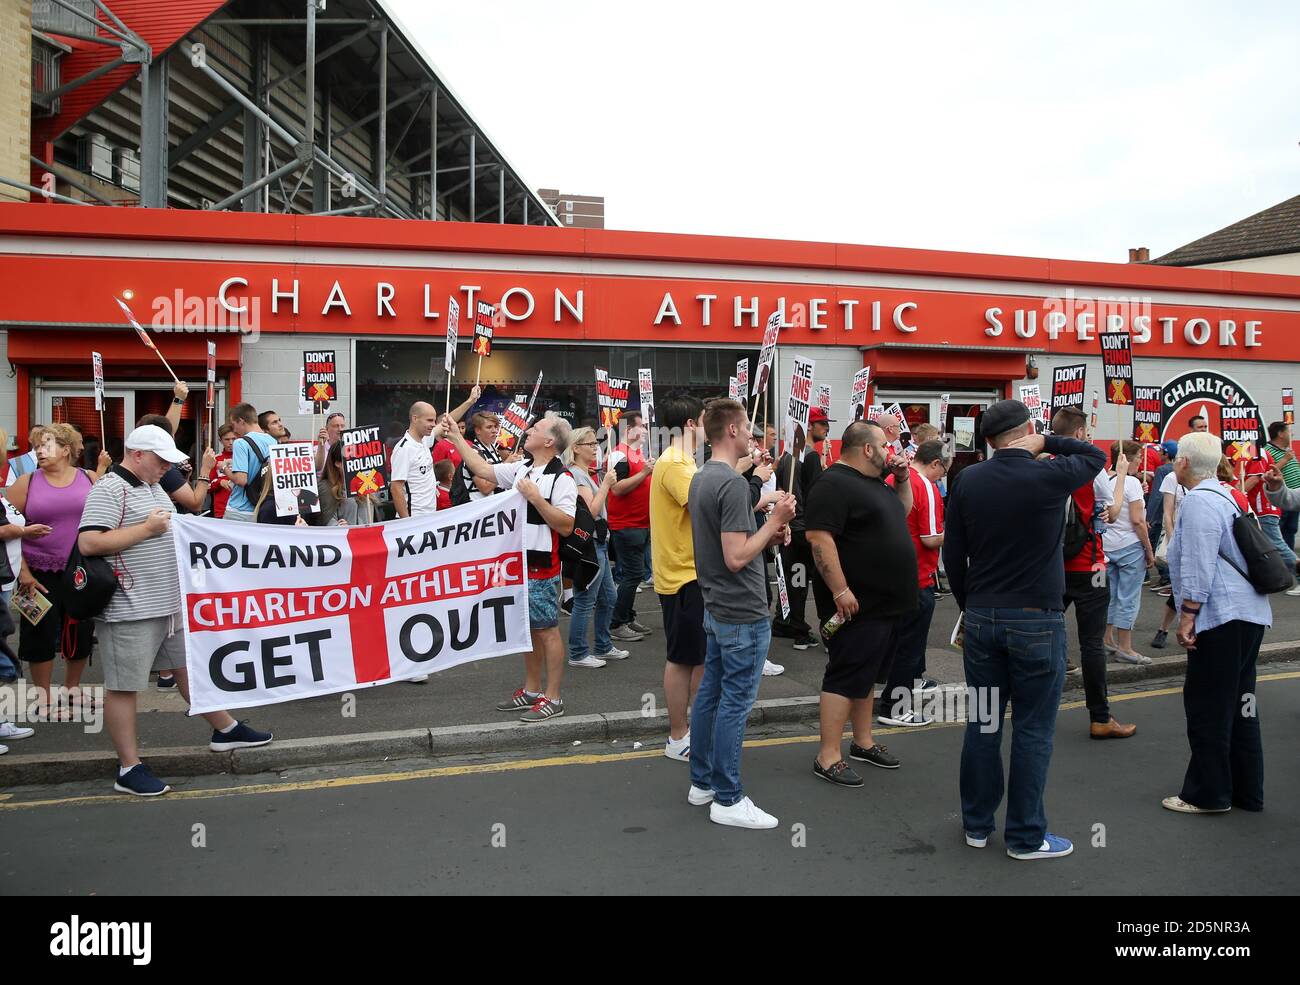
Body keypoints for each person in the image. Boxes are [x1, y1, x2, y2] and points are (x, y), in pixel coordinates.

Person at [943, 399, 1106, 859]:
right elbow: (1095, 457)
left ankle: (976, 825)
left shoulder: (969, 478)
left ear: (989, 441)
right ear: (1029, 430)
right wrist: (1048, 440)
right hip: (1037, 618)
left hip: (983, 616)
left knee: (984, 722)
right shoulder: (1049, 474)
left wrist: (969, 604)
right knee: (1033, 731)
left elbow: (954, 556)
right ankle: (1025, 836)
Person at [79, 424, 273, 796]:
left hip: (166, 603)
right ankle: (128, 768)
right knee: (123, 687)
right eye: (160, 460)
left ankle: (225, 729)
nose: (165, 468)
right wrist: (146, 530)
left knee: (190, 670)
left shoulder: (152, 486)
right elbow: (89, 542)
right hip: (129, 608)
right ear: (137, 455)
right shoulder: (109, 488)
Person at [686, 398, 795, 828]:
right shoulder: (730, 483)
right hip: (741, 611)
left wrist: (763, 520)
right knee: (734, 704)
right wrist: (776, 520)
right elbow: (735, 557)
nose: (752, 432)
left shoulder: (705, 477)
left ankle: (703, 783)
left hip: (718, 606)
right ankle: (728, 799)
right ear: (731, 430)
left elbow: (728, 535)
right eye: (747, 425)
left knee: (712, 697)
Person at [1162, 432, 1269, 814]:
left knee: (1209, 705)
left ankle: (1207, 794)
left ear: (1184, 463)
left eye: (1176, 458)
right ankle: (1246, 790)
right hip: (1248, 613)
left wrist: (1187, 616)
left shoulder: (1198, 503)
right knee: (1242, 703)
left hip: (1221, 617)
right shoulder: (1228, 494)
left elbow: (1198, 563)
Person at [447, 411, 577, 722]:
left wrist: (536, 500)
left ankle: (554, 697)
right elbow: (482, 469)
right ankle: (533, 691)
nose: (528, 429)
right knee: (528, 630)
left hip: (541, 567)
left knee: (547, 631)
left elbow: (567, 525)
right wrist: (456, 438)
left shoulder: (562, 478)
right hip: (518, 564)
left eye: (537, 428)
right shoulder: (524, 468)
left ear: (549, 441)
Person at [807, 421, 916, 786]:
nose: (890, 451)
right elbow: (820, 540)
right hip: (854, 604)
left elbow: (901, 512)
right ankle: (828, 755)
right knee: (845, 674)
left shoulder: (875, 484)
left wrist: (901, 480)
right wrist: (840, 591)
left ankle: (863, 741)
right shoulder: (833, 483)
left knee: (867, 675)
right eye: (884, 445)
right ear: (866, 449)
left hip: (886, 603)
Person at [6, 423, 103, 718]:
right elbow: (5, 528)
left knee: (81, 630)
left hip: (81, 570)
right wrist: (23, 572)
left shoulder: (89, 478)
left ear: (66, 450)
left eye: (45, 445)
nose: (39, 451)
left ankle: (72, 689)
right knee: (39, 633)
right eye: (36, 446)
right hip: (36, 571)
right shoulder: (27, 482)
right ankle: (44, 700)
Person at [1050, 406, 1135, 739]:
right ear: (1081, 433)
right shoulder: (1090, 466)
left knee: (1048, 635)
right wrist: (1122, 475)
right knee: (1092, 644)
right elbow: (1111, 513)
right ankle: (1100, 717)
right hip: (1092, 566)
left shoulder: (1045, 465)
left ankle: (1031, 704)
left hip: (1053, 567)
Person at [649, 395, 710, 762]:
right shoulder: (674, 462)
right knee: (683, 658)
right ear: (690, 425)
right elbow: (706, 505)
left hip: (689, 572)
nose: (707, 428)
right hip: (682, 575)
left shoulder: (682, 460)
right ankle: (678, 736)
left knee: (698, 657)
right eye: (704, 420)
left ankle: (694, 731)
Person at [877, 438, 949, 727]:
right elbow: (931, 539)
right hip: (916, 577)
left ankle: (891, 698)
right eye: (943, 471)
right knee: (908, 648)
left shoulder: (896, 476)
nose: (943, 477)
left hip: (891, 572)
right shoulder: (926, 487)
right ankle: (896, 707)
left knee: (894, 644)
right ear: (934, 463)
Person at [563, 426, 623, 669]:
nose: (595, 448)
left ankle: (603, 645)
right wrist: (607, 484)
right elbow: (591, 511)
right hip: (589, 545)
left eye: (595, 444)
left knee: (609, 597)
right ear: (576, 448)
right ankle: (578, 652)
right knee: (586, 599)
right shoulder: (576, 475)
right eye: (589, 444)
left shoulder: (586, 473)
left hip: (599, 542)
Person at [771, 407, 830, 650]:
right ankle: (798, 628)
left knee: (794, 577)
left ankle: (787, 621)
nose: (826, 428)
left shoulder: (787, 456)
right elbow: (817, 495)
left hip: (790, 525)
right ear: (809, 426)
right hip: (804, 527)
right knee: (812, 579)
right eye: (822, 423)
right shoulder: (810, 456)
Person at [1102, 440, 1155, 665]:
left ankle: (1107, 639)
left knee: (1111, 595)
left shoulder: (1105, 478)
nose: (1141, 461)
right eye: (1139, 457)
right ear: (1129, 459)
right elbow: (1137, 520)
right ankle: (1125, 646)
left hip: (1107, 545)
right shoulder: (1131, 482)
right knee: (1129, 598)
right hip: (1129, 545)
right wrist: (1149, 549)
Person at [608, 411, 656, 643]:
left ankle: (627, 616)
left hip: (639, 523)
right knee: (633, 574)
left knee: (634, 575)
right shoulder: (619, 454)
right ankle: (617, 622)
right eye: (641, 427)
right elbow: (616, 489)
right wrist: (645, 472)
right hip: (627, 525)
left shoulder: (635, 454)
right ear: (629, 430)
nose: (646, 431)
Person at [1242, 439, 1300, 595]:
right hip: (1263, 507)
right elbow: (1290, 497)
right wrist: (1276, 487)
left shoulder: (1257, 452)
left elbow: (1255, 478)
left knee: (1277, 545)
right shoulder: (1248, 453)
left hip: (1263, 509)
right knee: (1269, 545)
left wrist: (1235, 494)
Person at [135, 414, 217, 515]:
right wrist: (205, 469)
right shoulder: (168, 472)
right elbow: (195, 504)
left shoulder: (153, 483)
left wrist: (184, 479)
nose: (167, 466)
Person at [225, 402, 277, 523]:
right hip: (262, 506)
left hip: (239, 508)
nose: (234, 430)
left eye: (233, 425)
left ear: (241, 421)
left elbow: (241, 480)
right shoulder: (273, 441)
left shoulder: (240, 443)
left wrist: (224, 469)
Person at [390, 401, 439, 519]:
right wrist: (407, 522)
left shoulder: (424, 440)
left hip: (429, 515)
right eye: (429, 420)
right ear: (415, 418)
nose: (433, 425)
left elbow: (446, 422)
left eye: (434, 421)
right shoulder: (404, 449)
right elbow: (396, 488)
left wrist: (470, 401)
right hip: (414, 518)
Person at [1146, 440, 1179, 589]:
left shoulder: (1162, 470)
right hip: (1175, 513)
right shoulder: (1180, 469)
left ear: (1166, 453)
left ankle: (1166, 577)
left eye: (1161, 451)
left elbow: (1157, 495)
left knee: (1158, 545)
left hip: (1161, 514)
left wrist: (1150, 516)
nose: (1158, 453)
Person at [1262, 421, 1300, 551]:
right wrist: (1285, 459)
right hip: (1281, 500)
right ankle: (1283, 563)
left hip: (1295, 498)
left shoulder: (1287, 451)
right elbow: (1266, 474)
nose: (1292, 434)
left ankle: (1291, 560)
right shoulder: (1267, 451)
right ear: (1280, 434)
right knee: (1280, 532)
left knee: (1291, 530)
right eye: (1288, 431)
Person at [318, 441, 374, 526]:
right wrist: (338, 526)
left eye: (356, 457)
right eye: (349, 459)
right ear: (337, 463)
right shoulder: (326, 487)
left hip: (366, 537)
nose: (354, 462)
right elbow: (326, 520)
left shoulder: (363, 482)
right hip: (343, 537)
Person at [457, 410, 504, 502]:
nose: (494, 431)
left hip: (491, 504)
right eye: (489, 427)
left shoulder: (492, 449)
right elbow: (485, 488)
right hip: (477, 507)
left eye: (496, 427)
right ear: (478, 430)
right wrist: (507, 465)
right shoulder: (474, 452)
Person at [207, 424, 236, 518]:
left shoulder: (245, 458)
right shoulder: (215, 459)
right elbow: (207, 486)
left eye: (234, 439)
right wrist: (220, 482)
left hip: (242, 510)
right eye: (227, 439)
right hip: (222, 510)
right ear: (220, 441)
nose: (231, 442)